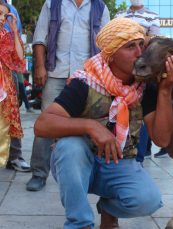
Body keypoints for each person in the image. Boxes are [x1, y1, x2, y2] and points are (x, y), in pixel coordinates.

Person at [34, 17, 173, 229]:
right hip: (77, 164)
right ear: (111, 54)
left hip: (118, 163)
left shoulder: (144, 86)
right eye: (130, 47)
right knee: (70, 147)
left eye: (141, 44)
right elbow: (42, 125)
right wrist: (90, 126)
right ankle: (79, 223)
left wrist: (165, 90)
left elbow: (162, 138)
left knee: (148, 200)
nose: (140, 53)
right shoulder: (86, 82)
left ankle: (108, 209)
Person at [26, 0, 110, 191]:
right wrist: (39, 66)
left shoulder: (100, 7)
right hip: (56, 73)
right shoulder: (52, 4)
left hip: (87, 77)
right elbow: (40, 38)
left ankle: (82, 175)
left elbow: (107, 45)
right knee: (46, 122)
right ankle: (39, 173)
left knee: (86, 124)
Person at [116, 0, 160, 162]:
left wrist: (128, 37)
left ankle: (138, 157)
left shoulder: (152, 16)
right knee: (120, 109)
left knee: (141, 114)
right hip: (122, 71)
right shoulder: (119, 15)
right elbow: (115, 39)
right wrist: (142, 36)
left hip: (143, 71)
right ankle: (120, 151)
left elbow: (154, 40)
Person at [0, 0, 30, 172]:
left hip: (6, 83)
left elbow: (19, 57)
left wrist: (14, 28)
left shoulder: (6, 34)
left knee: (10, 119)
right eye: (0, 14)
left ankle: (15, 157)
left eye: (5, 15)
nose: (2, 18)